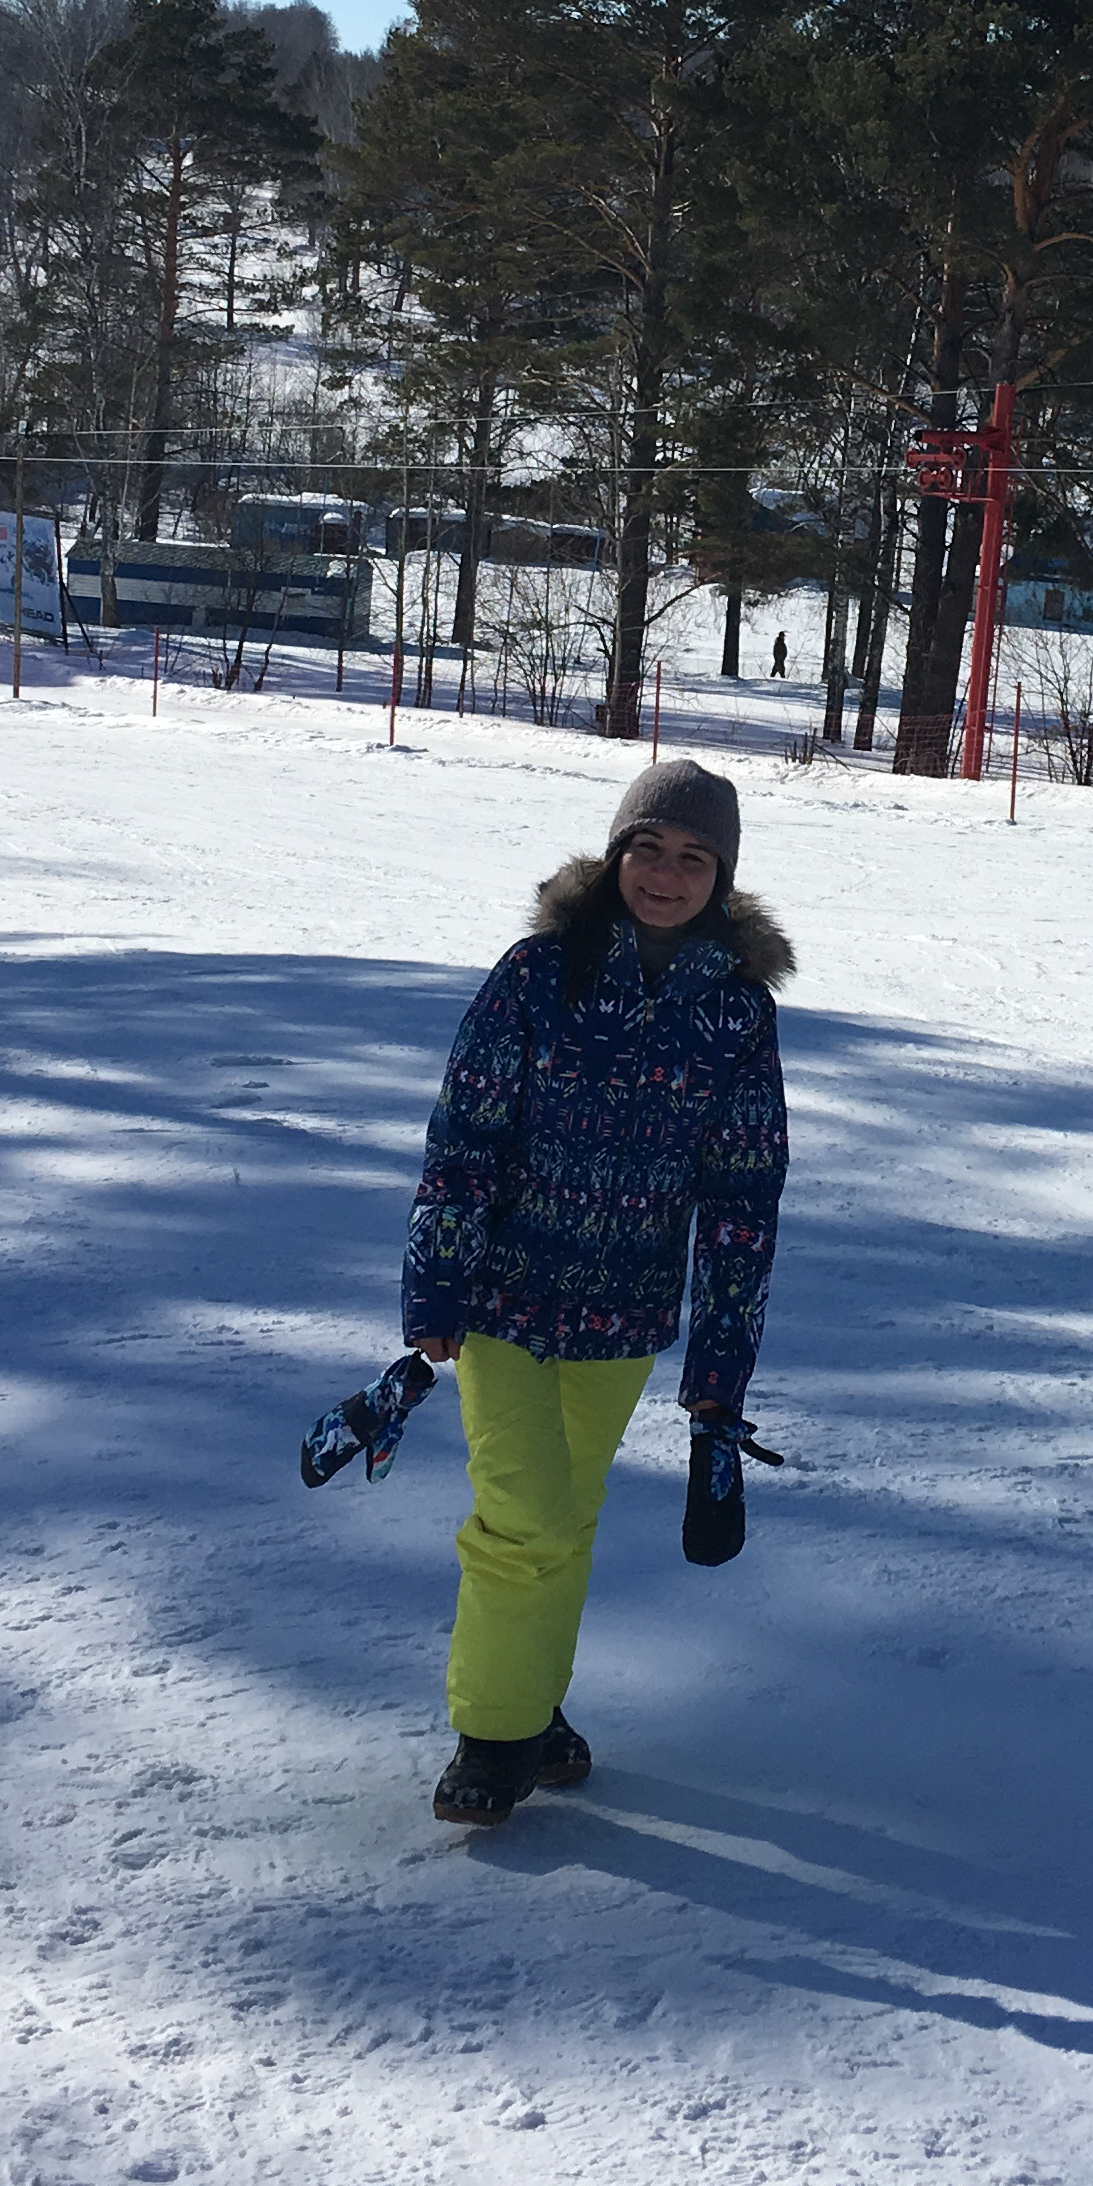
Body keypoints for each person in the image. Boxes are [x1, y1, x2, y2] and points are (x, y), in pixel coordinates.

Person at [400, 759, 791, 1828]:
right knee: (521, 1516)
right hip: (503, 1302)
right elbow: (461, 1146)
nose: (665, 875)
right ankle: (495, 1735)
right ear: (616, 856)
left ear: (723, 876)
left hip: (624, 1317)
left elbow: (743, 1200)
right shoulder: (536, 975)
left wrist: (719, 1379)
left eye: (692, 858)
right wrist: (436, 1290)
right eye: (648, 851)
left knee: (566, 1516)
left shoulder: (737, 1015)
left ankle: (537, 1702)